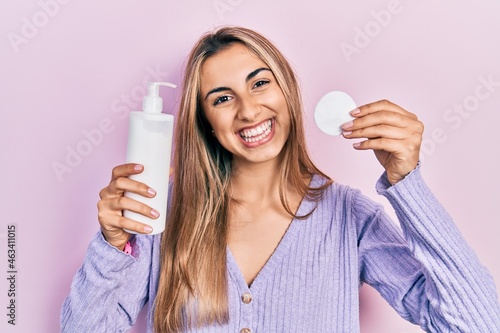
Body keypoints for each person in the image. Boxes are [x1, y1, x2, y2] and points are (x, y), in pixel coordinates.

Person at [61, 26, 500, 333]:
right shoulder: (162, 215)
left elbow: (478, 325)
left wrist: (408, 185)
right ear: (205, 121)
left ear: (286, 90)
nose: (249, 111)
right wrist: (112, 246)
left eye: (259, 84)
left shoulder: (351, 219)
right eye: (222, 98)